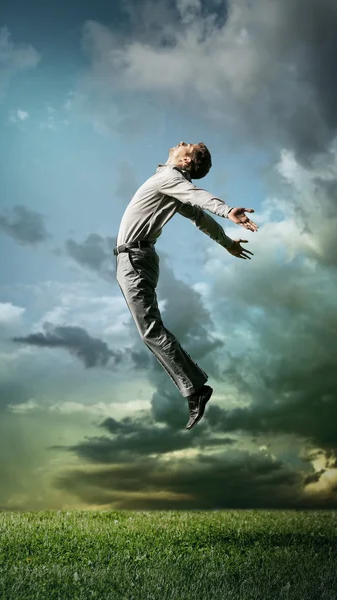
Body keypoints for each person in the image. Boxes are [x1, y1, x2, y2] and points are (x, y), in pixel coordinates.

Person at [114, 141, 258, 430]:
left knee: (150, 330)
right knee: (149, 329)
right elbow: (199, 218)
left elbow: (198, 198)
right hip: (135, 257)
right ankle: (194, 387)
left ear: (186, 162)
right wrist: (227, 242)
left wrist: (227, 210)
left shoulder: (172, 179)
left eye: (187, 146)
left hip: (135, 257)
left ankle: (194, 390)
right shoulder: (167, 180)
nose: (181, 143)